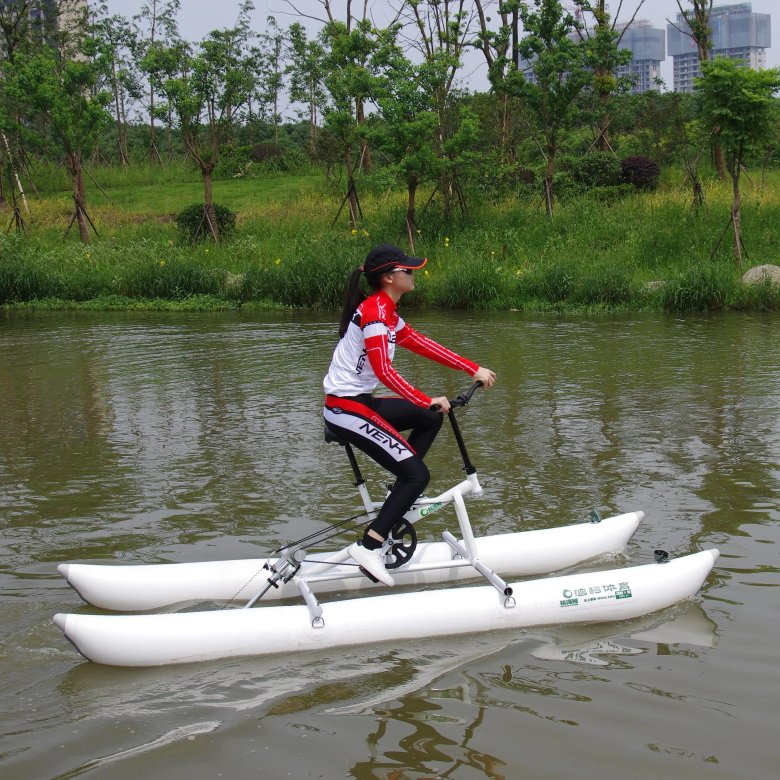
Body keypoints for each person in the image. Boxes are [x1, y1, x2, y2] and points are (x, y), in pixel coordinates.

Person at [323, 243, 496, 586]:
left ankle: (397, 493)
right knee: (418, 476)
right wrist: (425, 397)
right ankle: (370, 546)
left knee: (429, 418)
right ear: (389, 277)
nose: (413, 274)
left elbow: (420, 342)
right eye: (408, 270)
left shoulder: (386, 311)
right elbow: (383, 370)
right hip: (345, 409)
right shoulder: (374, 312)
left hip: (360, 403)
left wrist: (472, 368)